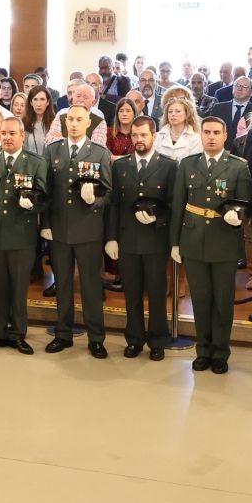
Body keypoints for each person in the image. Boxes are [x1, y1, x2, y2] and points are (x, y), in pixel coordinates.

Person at [172, 116, 252, 375]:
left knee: (222, 301)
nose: (211, 137)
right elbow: (178, 206)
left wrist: (237, 217)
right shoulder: (188, 165)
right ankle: (202, 349)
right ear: (201, 135)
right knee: (201, 299)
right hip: (193, 240)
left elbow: (244, 206)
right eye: (207, 132)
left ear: (225, 135)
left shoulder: (238, 167)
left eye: (216, 132)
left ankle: (220, 351)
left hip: (223, 240)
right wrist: (175, 242)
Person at [43, 105, 112, 357]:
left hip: (88, 229)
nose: (73, 124)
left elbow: (108, 192)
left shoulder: (99, 153)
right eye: (70, 119)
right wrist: (45, 225)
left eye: (78, 120)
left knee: (91, 286)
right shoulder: (52, 151)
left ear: (88, 123)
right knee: (62, 284)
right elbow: (46, 191)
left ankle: (96, 338)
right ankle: (63, 333)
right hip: (59, 230)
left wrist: (94, 199)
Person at [0, 115, 46, 353]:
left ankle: (17, 333)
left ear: (22, 136)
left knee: (18, 288)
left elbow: (44, 199)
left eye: (12, 133)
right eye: (3, 133)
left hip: (21, 236)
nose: (6, 137)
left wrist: (33, 206)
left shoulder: (34, 162)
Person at [109, 115, 176, 359]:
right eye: (135, 135)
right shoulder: (120, 166)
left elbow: (172, 204)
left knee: (157, 293)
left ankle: (158, 340)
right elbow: (114, 204)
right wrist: (111, 238)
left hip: (155, 240)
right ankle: (134, 339)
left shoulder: (169, 166)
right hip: (128, 240)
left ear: (154, 136)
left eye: (143, 135)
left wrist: (159, 219)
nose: (138, 139)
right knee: (132, 293)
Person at [154, 89, 203, 161]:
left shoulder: (196, 139)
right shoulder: (157, 137)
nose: (173, 114)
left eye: (178, 111)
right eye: (170, 111)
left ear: (187, 114)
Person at [209, 76, 252, 144]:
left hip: (245, 151)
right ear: (233, 88)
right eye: (237, 85)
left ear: (251, 92)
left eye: (245, 87)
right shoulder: (218, 108)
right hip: (222, 149)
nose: (240, 89)